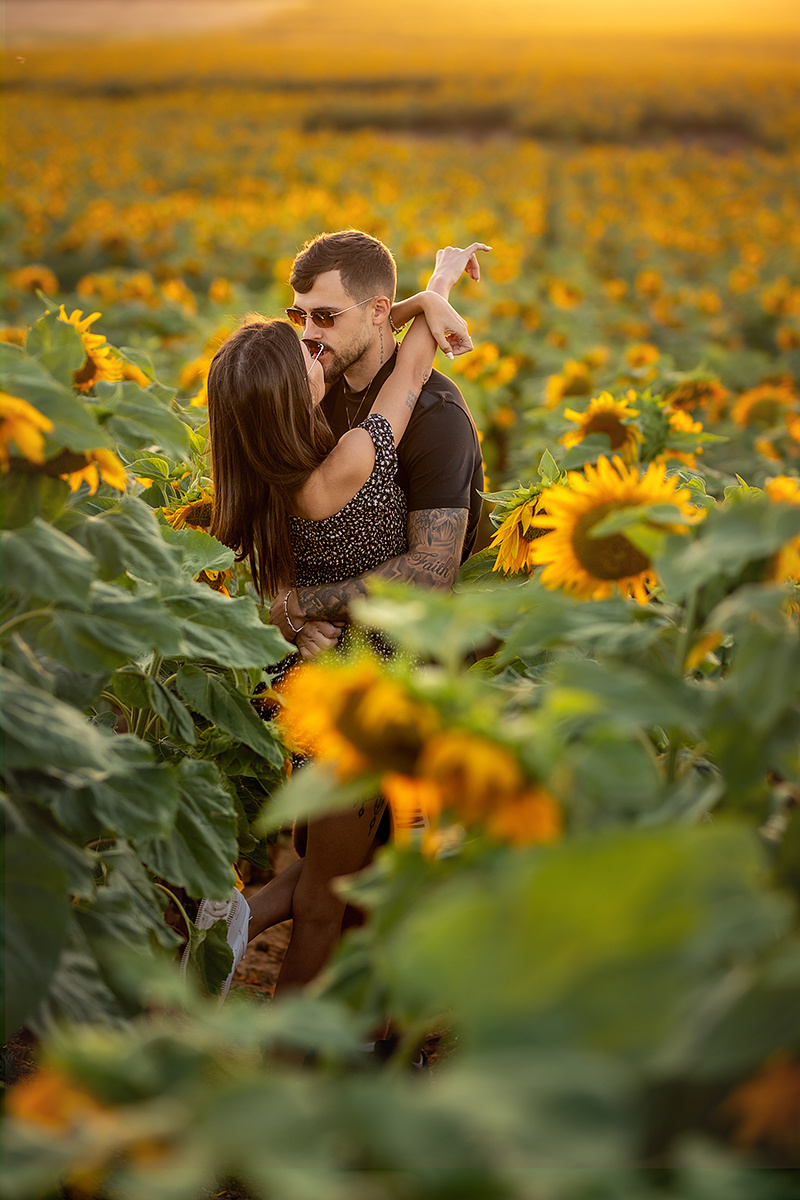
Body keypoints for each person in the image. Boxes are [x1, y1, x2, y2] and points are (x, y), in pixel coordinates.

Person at [194, 238, 489, 1001]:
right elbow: (413, 368)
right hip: (369, 686)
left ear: (373, 312)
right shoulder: (348, 454)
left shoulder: (268, 463)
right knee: (339, 892)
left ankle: (238, 935)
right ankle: (274, 1004)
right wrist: (432, 294)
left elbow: (415, 368)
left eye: (320, 322)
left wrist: (439, 283)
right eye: (303, 336)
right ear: (294, 397)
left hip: (322, 682)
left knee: (343, 874)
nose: (314, 344)